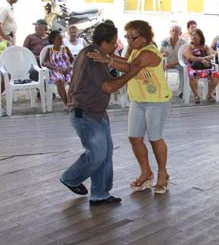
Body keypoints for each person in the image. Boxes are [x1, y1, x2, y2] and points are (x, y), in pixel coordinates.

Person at [60, 22, 141, 206]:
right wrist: (131, 74)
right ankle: (70, 178)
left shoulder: (93, 52)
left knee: (105, 153)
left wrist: (116, 61)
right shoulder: (93, 58)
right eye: (113, 42)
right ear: (103, 42)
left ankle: (100, 193)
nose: (115, 46)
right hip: (85, 113)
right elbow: (108, 86)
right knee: (97, 153)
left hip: (96, 112)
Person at [89, 20, 172, 194]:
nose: (129, 41)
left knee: (155, 138)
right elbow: (127, 61)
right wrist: (108, 57)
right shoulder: (135, 50)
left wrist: (107, 59)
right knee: (134, 138)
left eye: (133, 37)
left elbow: (129, 67)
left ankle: (162, 174)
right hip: (138, 100)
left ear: (145, 37)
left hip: (156, 101)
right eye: (127, 37)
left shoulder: (150, 53)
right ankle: (146, 172)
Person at [183, 29, 219, 103]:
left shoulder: (205, 47)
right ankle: (196, 95)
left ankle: (209, 95)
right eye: (192, 35)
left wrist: (205, 60)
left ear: (200, 37)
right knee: (193, 75)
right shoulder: (189, 46)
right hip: (193, 67)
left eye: (195, 35)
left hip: (205, 67)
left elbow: (211, 56)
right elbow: (189, 57)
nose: (193, 37)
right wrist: (201, 60)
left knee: (216, 75)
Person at [41, 30, 74, 108]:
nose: (61, 40)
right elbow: (44, 63)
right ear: (53, 40)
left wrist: (69, 67)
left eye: (61, 38)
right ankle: (66, 103)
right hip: (56, 71)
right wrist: (55, 68)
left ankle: (72, 100)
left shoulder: (66, 49)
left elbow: (73, 60)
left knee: (73, 80)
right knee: (59, 80)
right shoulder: (50, 50)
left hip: (67, 70)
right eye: (58, 38)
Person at [161, 24, 186, 98]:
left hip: (179, 63)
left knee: (184, 69)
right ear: (170, 32)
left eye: (177, 31)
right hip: (167, 63)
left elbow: (185, 58)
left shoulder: (183, 43)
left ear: (180, 33)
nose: (174, 33)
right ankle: (162, 90)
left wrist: (172, 64)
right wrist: (163, 54)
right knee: (158, 68)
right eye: (173, 31)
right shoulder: (165, 41)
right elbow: (160, 52)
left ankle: (181, 91)